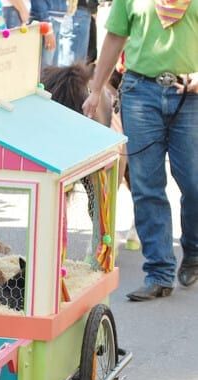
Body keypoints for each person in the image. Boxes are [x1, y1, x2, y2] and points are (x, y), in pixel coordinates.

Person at [83, 0, 198, 301]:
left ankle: (194, 249)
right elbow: (115, 36)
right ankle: (159, 273)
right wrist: (96, 89)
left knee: (194, 183)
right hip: (140, 93)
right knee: (147, 186)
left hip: (191, 97)